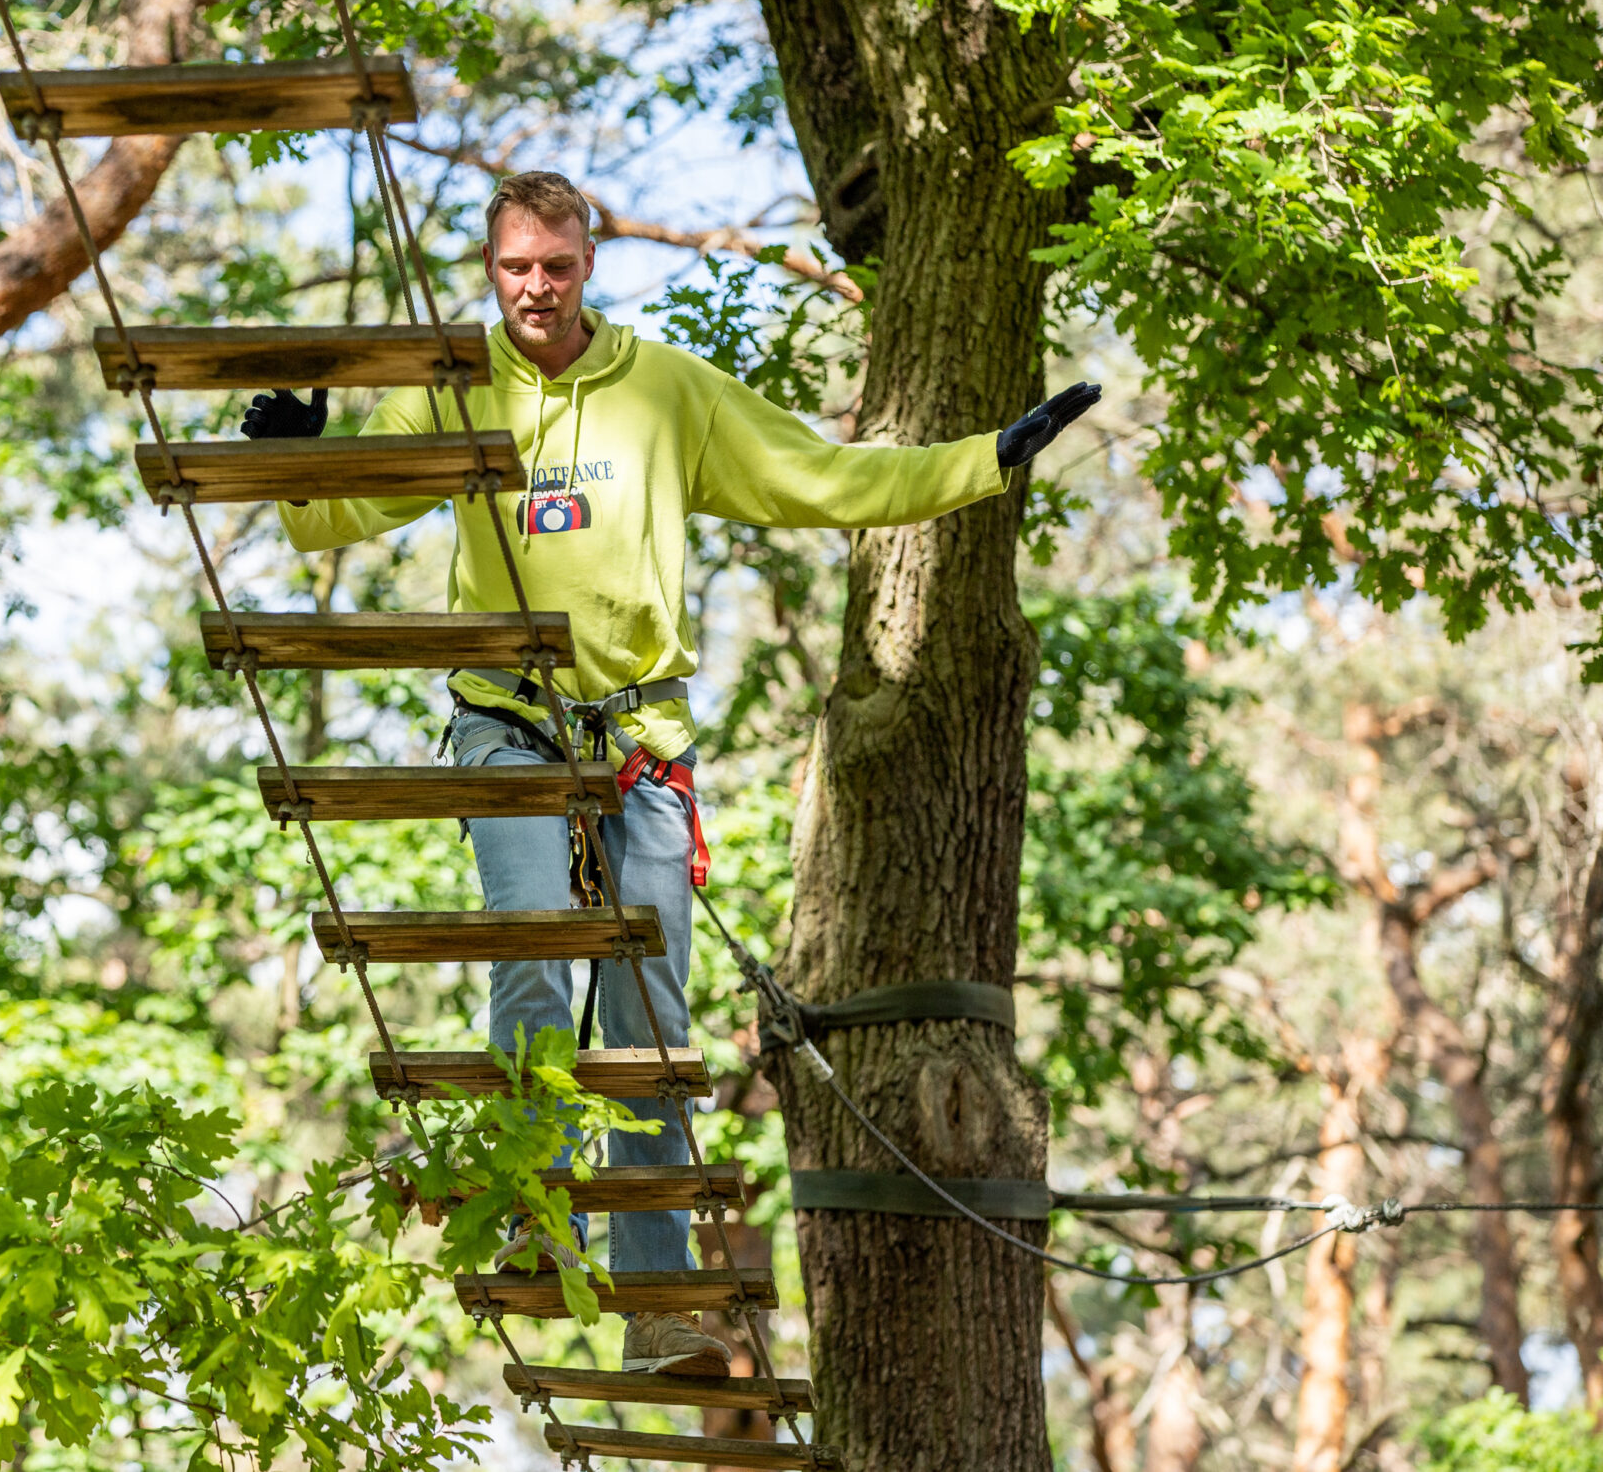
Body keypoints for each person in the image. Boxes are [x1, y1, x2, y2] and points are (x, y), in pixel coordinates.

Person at [246, 170, 1098, 1377]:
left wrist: (979, 464)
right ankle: (541, 1231)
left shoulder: (663, 388)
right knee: (536, 953)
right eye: (513, 267)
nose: (534, 286)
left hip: (640, 740)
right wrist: (299, 464)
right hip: (508, 722)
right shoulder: (453, 389)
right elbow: (342, 516)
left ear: (587, 263)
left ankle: (659, 1299)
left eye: (554, 263)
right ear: (490, 274)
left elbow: (817, 476)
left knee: (648, 1015)